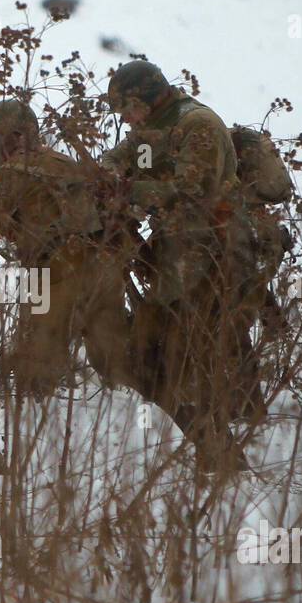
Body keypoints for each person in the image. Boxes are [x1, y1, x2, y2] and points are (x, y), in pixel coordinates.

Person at [103, 59, 261, 473]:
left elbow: (194, 192)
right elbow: (116, 161)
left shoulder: (198, 125)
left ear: (146, 99)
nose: (125, 119)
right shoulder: (148, 130)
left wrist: (129, 190)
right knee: (169, 345)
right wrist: (101, 179)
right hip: (178, 249)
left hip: (215, 247)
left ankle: (228, 447)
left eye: (127, 108)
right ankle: (221, 436)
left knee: (189, 345)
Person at [0, 99, 134, 396]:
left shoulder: (10, 172)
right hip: (104, 270)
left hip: (54, 276)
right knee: (119, 368)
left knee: (37, 373)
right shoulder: (66, 162)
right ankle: (151, 424)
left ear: (9, 137)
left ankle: (31, 435)